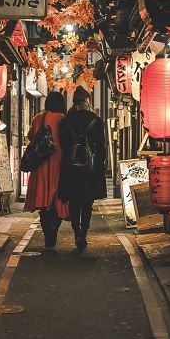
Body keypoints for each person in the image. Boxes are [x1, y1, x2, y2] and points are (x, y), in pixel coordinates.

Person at [59, 86, 107, 251]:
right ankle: (83, 233)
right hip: (89, 170)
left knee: (73, 202)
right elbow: (102, 148)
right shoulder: (96, 120)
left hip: (70, 168)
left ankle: (76, 230)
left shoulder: (65, 121)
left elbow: (63, 146)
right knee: (87, 203)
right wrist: (99, 164)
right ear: (88, 101)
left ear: (74, 102)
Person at [23, 91, 70, 247]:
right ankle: (53, 231)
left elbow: (31, 136)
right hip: (59, 163)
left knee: (43, 203)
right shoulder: (64, 119)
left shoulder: (38, 118)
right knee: (57, 199)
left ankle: (47, 233)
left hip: (41, 163)